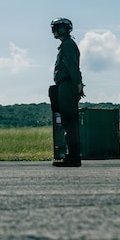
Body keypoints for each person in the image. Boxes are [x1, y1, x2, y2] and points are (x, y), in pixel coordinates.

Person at [51, 17, 84, 167]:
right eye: (55, 27)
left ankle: (74, 157)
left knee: (70, 122)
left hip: (67, 85)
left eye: (59, 27)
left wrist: (78, 85)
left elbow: (73, 67)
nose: (56, 30)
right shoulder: (65, 45)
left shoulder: (68, 45)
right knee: (67, 121)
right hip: (64, 85)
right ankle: (72, 156)